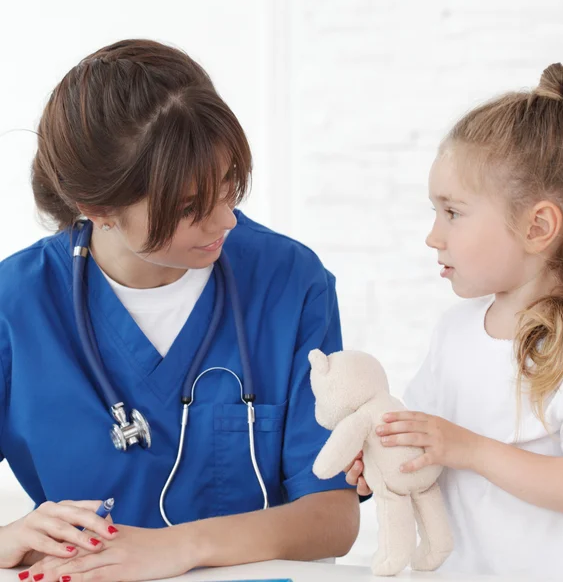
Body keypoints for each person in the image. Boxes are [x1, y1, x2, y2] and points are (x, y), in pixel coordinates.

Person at [0, 39, 359, 582]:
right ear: (97, 210)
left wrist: (180, 547)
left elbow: (333, 516)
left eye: (229, 185)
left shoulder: (288, 280)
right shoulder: (16, 304)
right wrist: (7, 538)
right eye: (191, 207)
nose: (226, 221)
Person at [346, 63, 563, 580]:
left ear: (538, 226)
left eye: (453, 213)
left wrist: (467, 448)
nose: (433, 236)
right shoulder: (455, 332)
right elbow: (429, 441)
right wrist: (382, 457)